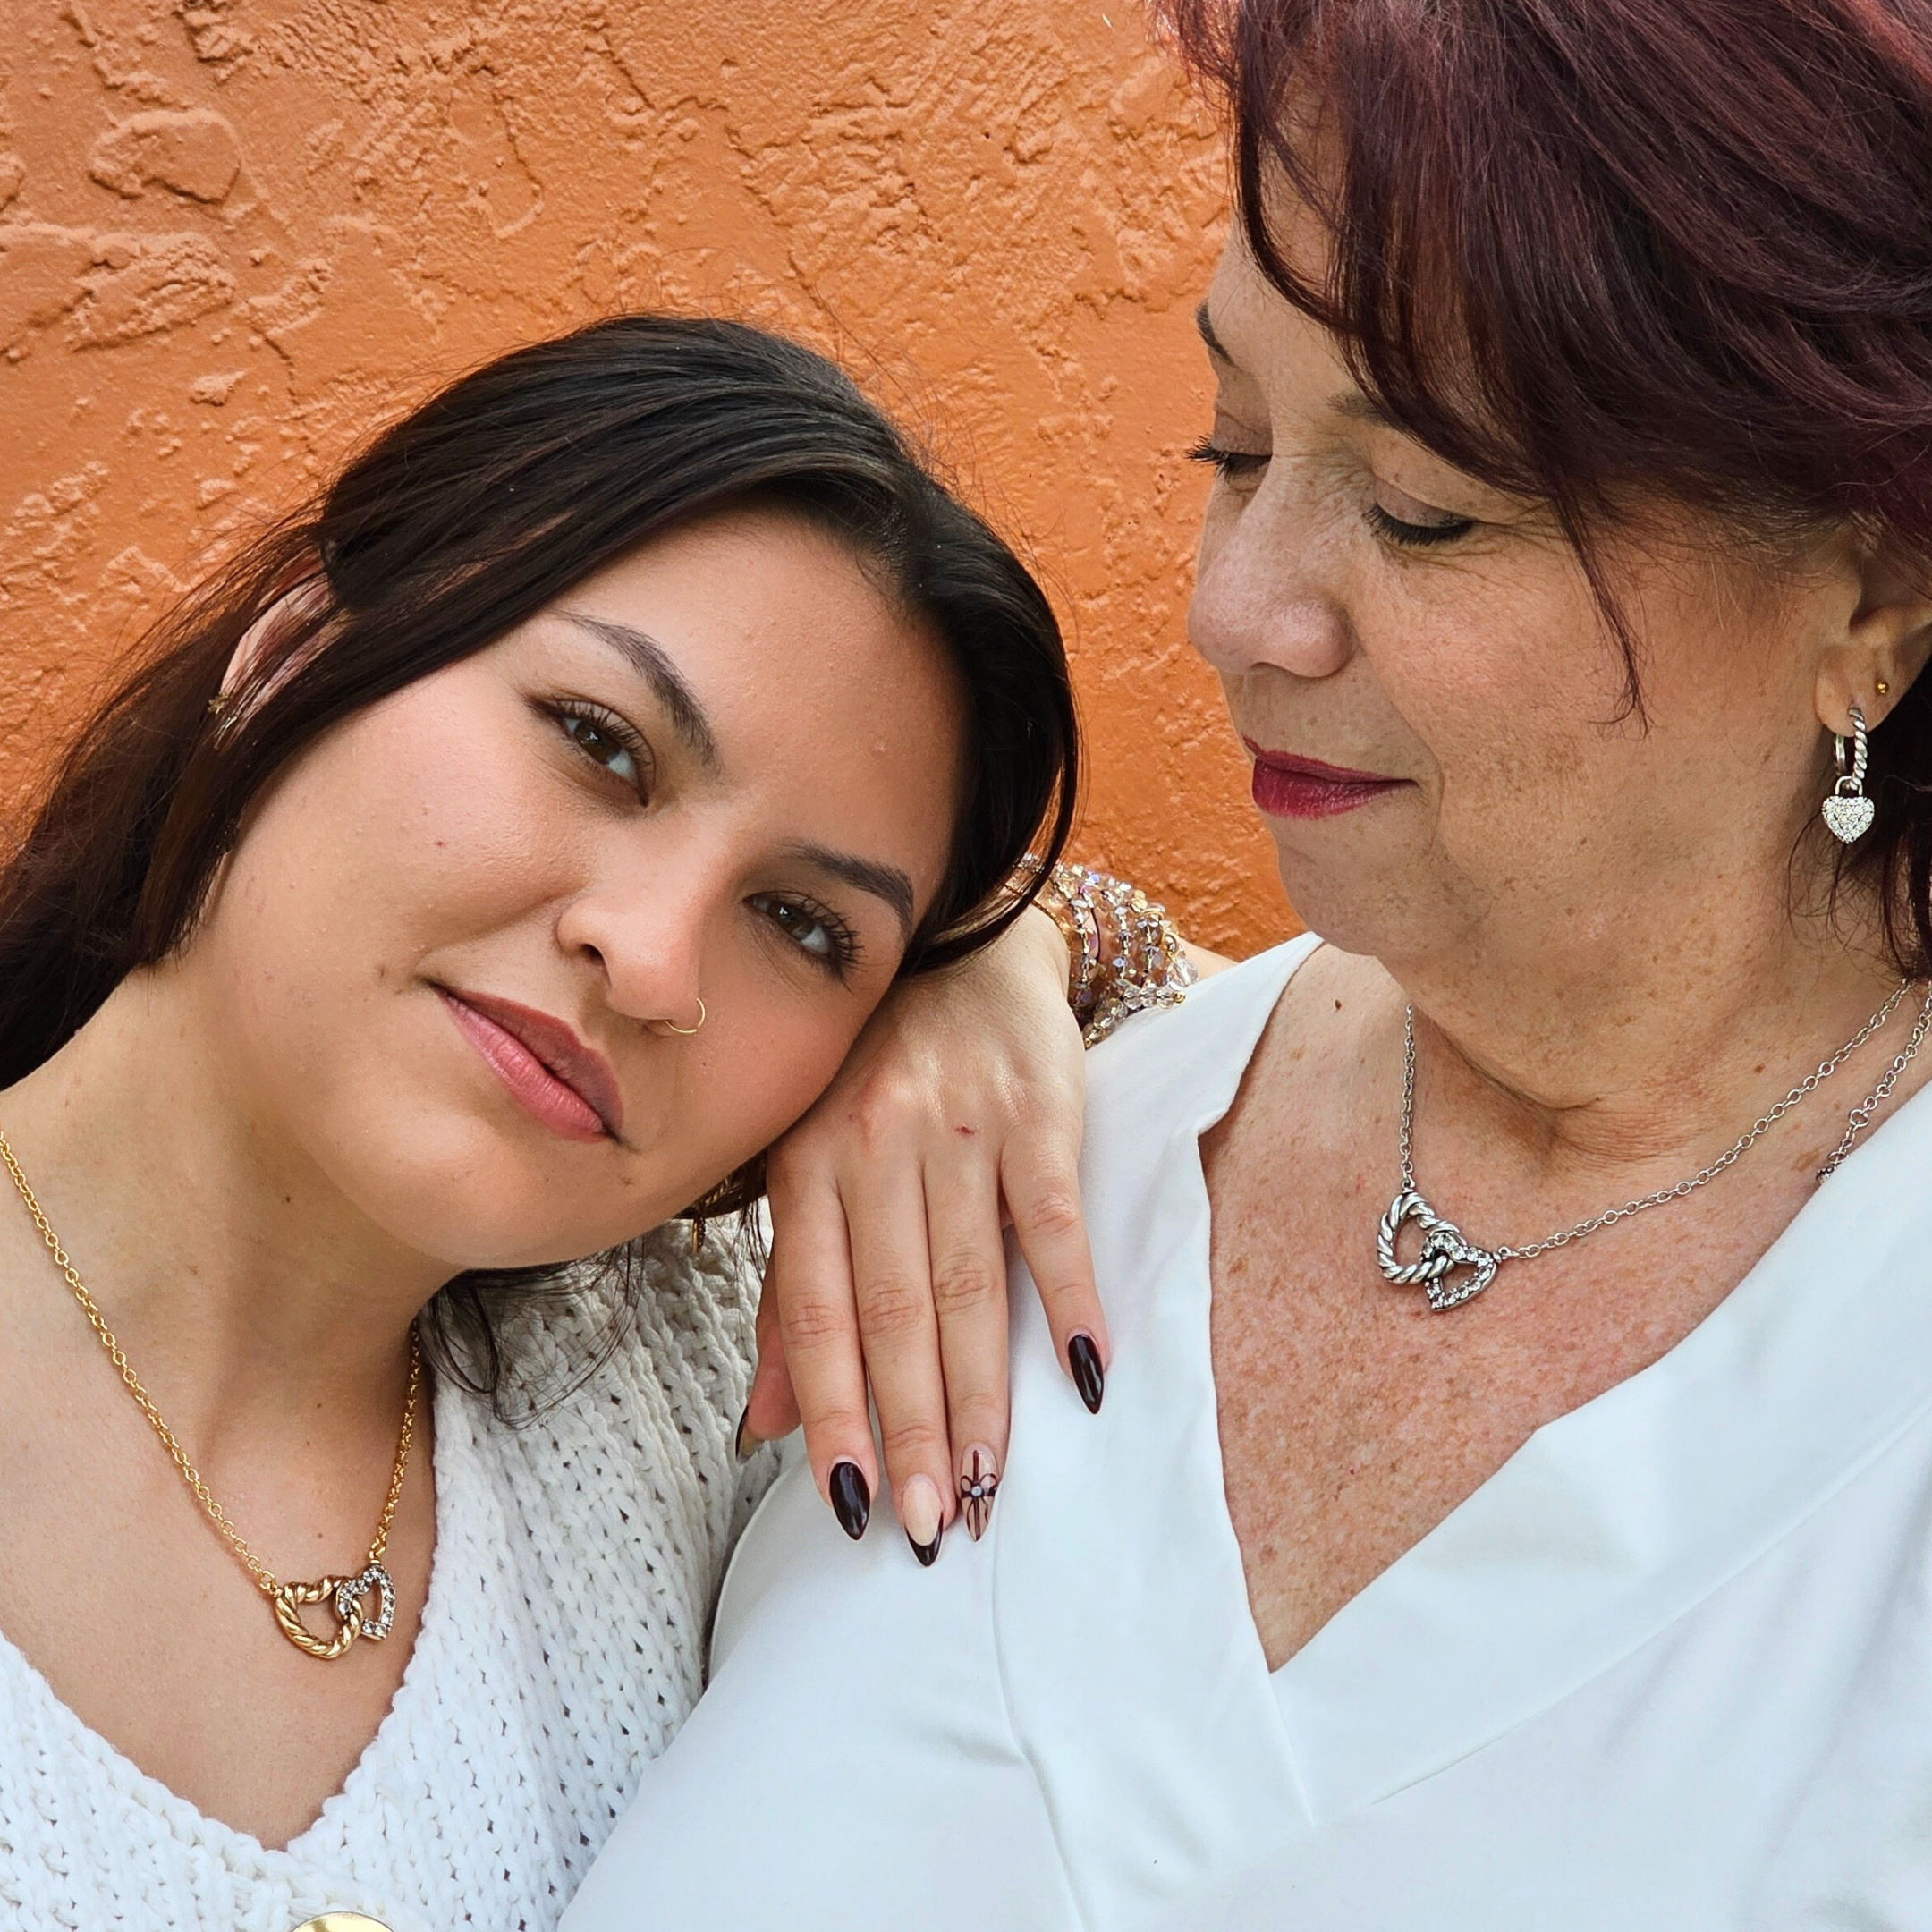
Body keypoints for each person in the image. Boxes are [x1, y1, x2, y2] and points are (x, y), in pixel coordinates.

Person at [560, 1, 1932, 1927]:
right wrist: (965, 944)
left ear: (1868, 600)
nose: (1234, 610)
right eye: (1235, 443)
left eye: (1423, 511)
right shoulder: (998, 1131)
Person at [0, 311, 1148, 1931]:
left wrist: (994, 985)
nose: (656, 957)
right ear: (295, 647)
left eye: (806, 928)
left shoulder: (707, 1385)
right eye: (602, 746)